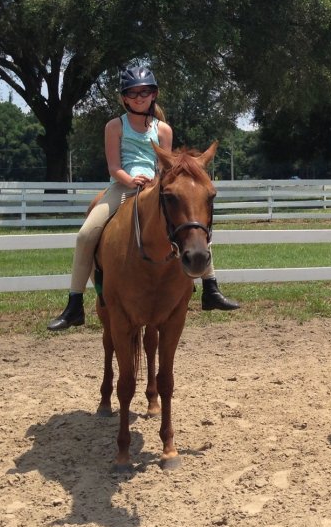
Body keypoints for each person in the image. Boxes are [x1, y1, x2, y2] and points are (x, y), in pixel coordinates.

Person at [47, 65, 238, 331]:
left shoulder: (164, 130)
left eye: (144, 92)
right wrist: (129, 180)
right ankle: (74, 304)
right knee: (86, 234)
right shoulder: (115, 126)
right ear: (124, 98)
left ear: (153, 95)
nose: (139, 97)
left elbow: (166, 166)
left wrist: (156, 181)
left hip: (154, 188)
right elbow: (114, 167)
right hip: (122, 187)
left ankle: (211, 287)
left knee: (192, 226)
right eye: (133, 93)